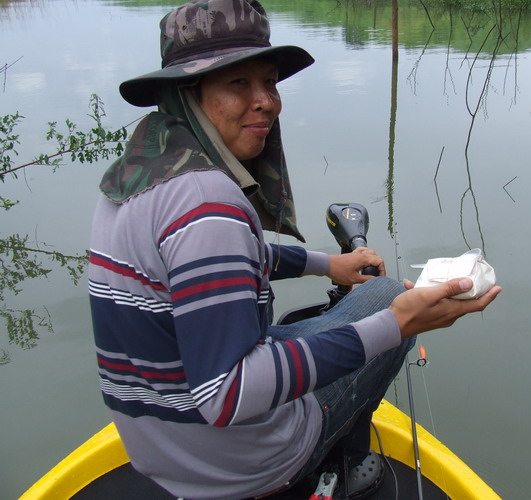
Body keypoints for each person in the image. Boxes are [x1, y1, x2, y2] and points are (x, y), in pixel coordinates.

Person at [88, 1, 502, 499]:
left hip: (164, 451)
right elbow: (228, 393)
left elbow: (232, 257)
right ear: (186, 92)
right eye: (237, 84)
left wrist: (331, 264)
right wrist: (398, 323)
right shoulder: (206, 201)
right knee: (386, 296)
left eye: (269, 81)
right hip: (237, 462)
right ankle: (339, 468)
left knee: (337, 318)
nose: (266, 101)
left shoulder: (138, 177)